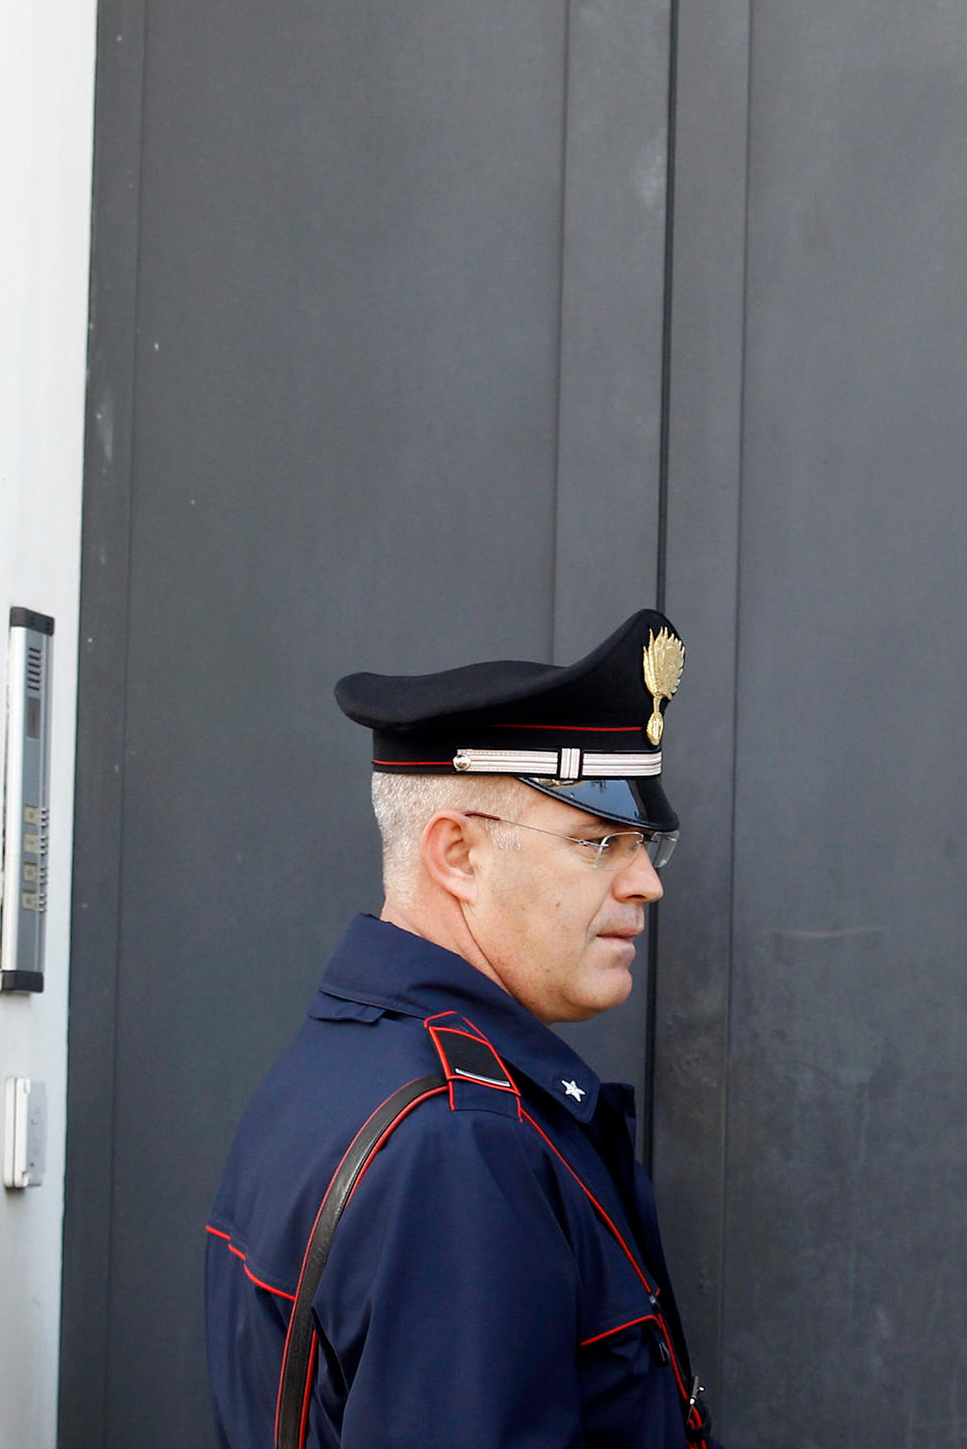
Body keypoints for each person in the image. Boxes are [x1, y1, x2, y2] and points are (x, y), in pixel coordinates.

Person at [205, 608, 715, 1449]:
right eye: (599, 842)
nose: (645, 884)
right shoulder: (458, 1143)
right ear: (458, 856)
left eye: (644, 844)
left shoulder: (347, 1058)